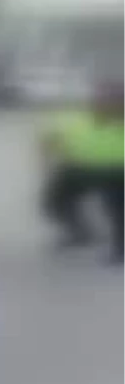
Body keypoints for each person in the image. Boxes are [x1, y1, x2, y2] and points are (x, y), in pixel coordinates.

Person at [39, 80, 125, 262]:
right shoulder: (77, 119)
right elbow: (49, 140)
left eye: (116, 98)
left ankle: (122, 247)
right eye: (104, 98)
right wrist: (47, 164)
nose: (109, 102)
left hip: (119, 172)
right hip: (81, 168)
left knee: (119, 206)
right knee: (53, 201)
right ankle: (80, 233)